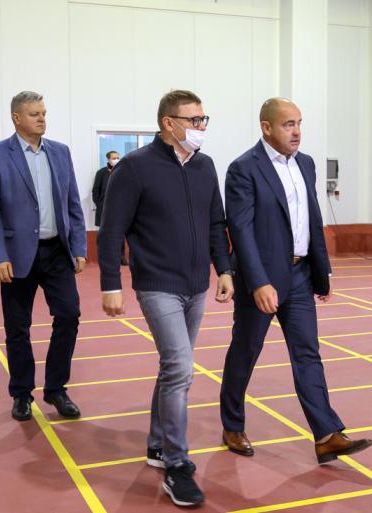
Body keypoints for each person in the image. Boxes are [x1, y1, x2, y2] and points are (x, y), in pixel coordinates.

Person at [98, 90, 233, 508]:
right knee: (180, 368)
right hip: (156, 284)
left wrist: (224, 269)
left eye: (203, 119)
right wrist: (110, 284)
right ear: (168, 123)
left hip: (196, 285)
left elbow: (215, 223)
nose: (201, 127)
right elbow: (111, 230)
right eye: (193, 120)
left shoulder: (205, 166)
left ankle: (157, 444)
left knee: (172, 367)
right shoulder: (136, 167)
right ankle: (177, 465)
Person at [220, 97, 372, 464]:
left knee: (307, 353)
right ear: (266, 127)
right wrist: (258, 281)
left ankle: (327, 435)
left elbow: (311, 219)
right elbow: (240, 230)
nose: (297, 131)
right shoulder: (244, 168)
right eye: (288, 124)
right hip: (262, 279)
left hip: (300, 275)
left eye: (299, 123)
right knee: (246, 350)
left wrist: (322, 273)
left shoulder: (306, 164)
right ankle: (232, 424)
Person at [0, 91, 87, 422]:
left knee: (69, 315)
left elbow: (72, 204)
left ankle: (56, 389)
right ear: (16, 118)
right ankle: (22, 394)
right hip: (16, 256)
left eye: (44, 113)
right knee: (17, 328)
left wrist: (79, 247)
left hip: (57, 252)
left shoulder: (60, 152)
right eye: (34, 114)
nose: (42, 119)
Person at [91, 151, 119, 227]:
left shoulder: (122, 172)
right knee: (104, 229)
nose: (116, 160)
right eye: (114, 158)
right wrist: (99, 204)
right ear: (108, 159)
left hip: (118, 208)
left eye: (117, 158)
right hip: (103, 208)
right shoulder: (101, 173)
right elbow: (95, 190)